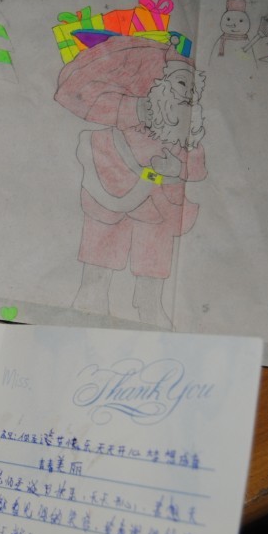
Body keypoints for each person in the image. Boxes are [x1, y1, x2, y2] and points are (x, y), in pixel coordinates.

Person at [54, 37, 207, 328]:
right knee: (101, 245)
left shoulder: (185, 130)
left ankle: (149, 303)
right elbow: (83, 99)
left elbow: (197, 166)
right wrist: (136, 109)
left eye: (192, 89)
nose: (187, 96)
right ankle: (91, 296)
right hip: (113, 188)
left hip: (158, 202)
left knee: (154, 254)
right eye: (180, 84)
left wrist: (177, 167)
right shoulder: (131, 109)